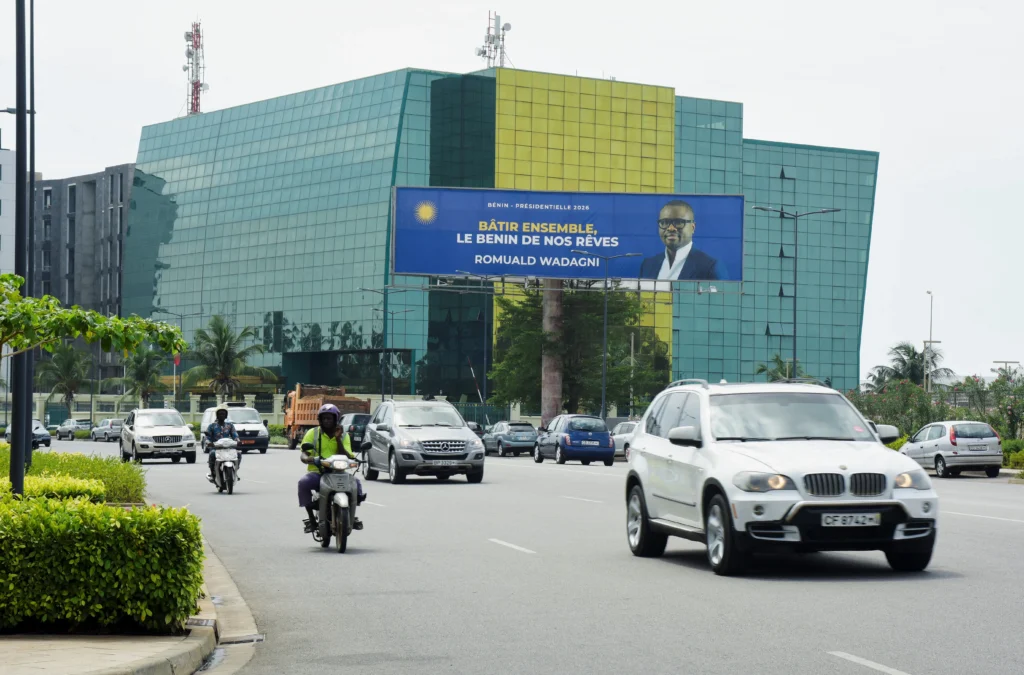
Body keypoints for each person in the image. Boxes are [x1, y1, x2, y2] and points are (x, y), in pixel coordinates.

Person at [298, 404, 365, 533]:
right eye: (324, 418)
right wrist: (308, 458)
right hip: (318, 472)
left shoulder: (344, 435)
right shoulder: (313, 433)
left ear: (336, 419)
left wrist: (338, 438)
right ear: (320, 420)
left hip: (339, 472)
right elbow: (304, 453)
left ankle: (351, 515)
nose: (327, 421)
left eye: (330, 418)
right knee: (304, 483)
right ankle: (311, 519)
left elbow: (347, 455)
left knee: (356, 483)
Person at [639, 200, 727, 280]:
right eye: (665, 222)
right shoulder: (648, 265)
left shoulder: (710, 267)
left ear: (693, 227)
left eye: (678, 222)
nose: (671, 228)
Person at [206, 404, 240, 482]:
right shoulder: (212, 426)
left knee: (238, 454)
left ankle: (235, 471)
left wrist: (238, 441)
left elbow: (235, 435)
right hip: (216, 448)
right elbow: (208, 438)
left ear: (226, 416)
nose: (222, 415)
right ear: (217, 415)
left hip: (228, 448)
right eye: (220, 414)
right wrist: (209, 443)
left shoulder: (230, 426)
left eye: (223, 414)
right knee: (212, 454)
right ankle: (212, 473)